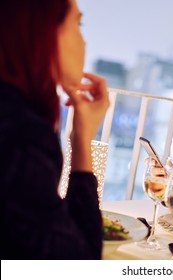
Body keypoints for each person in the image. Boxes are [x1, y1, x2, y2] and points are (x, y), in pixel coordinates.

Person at [0, 0, 109, 259]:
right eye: (78, 24)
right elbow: (78, 263)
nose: (84, 42)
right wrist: (83, 142)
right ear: (44, 30)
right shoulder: (23, 138)